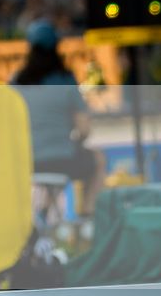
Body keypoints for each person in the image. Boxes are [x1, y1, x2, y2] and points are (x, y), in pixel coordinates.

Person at [14, 19, 106, 217]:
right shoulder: (66, 80)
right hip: (63, 160)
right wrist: (72, 142)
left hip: (25, 163)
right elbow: (84, 129)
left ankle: (37, 215)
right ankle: (87, 216)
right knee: (97, 159)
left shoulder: (16, 82)